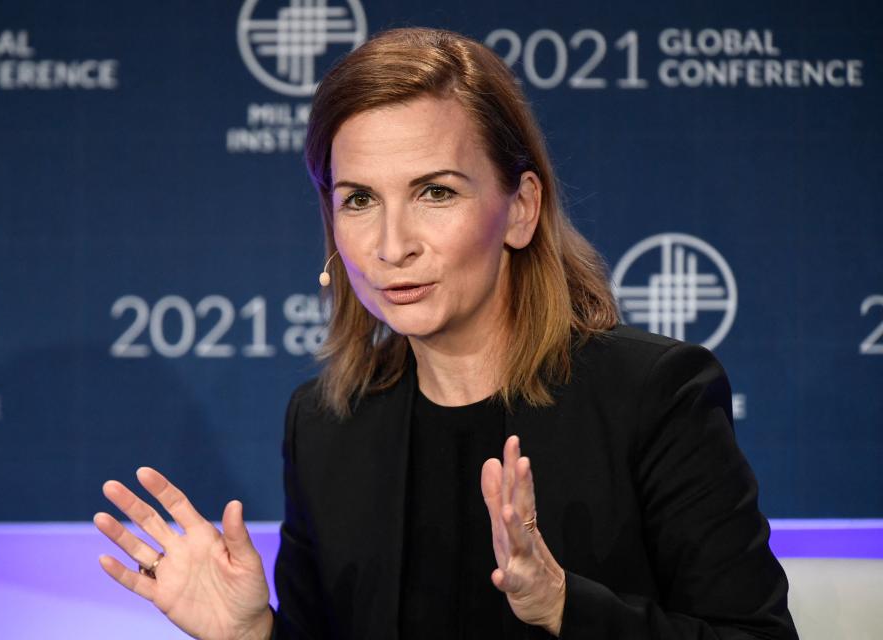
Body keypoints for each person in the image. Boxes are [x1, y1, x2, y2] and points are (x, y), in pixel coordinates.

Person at [93, 28, 798, 639]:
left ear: (520, 210)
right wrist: (254, 634)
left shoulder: (653, 395)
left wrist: (560, 606)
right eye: (360, 200)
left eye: (436, 192)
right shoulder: (327, 423)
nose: (392, 244)